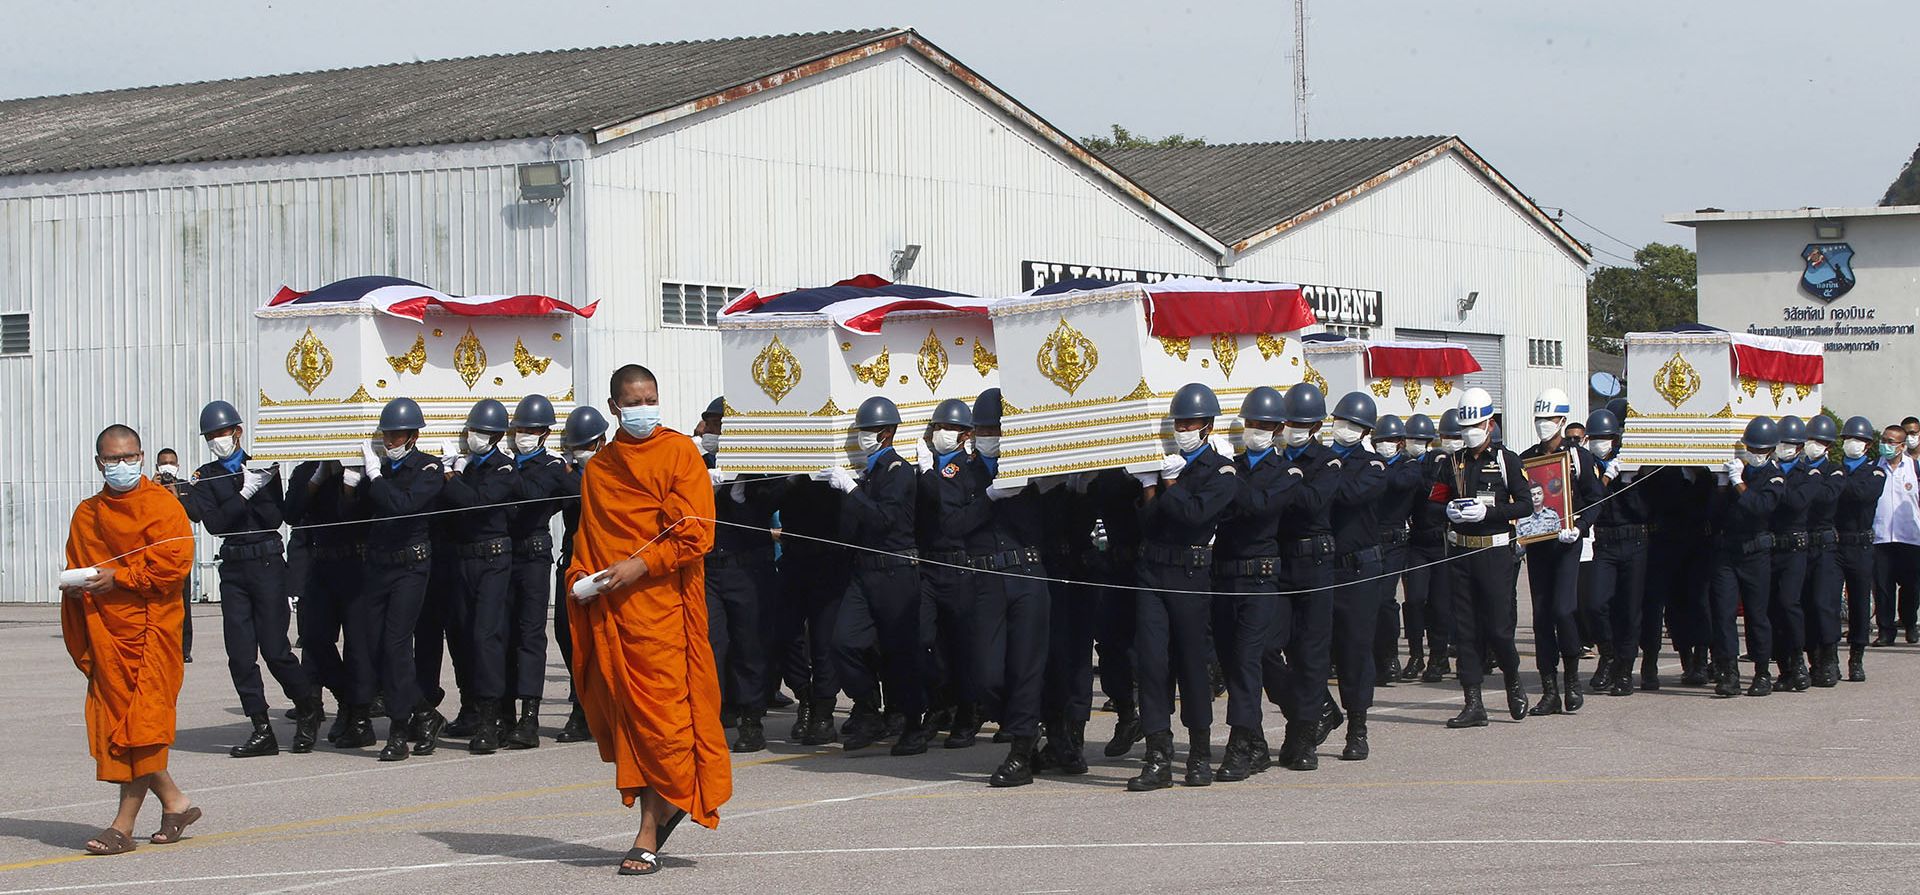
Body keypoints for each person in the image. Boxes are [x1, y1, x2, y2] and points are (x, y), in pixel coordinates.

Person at [564, 363, 730, 876]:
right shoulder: (601, 468)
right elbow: (588, 542)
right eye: (632, 402)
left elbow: (697, 533)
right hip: (617, 616)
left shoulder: (680, 453)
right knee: (633, 725)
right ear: (615, 407)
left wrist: (641, 563)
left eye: (650, 399)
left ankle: (649, 829)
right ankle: (658, 814)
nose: (642, 409)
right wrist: (580, 578)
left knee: (667, 725)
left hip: (666, 612)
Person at [63, 425, 200, 856]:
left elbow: (171, 569)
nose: (121, 466)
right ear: (98, 462)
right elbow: (79, 564)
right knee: (121, 728)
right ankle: (176, 803)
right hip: (107, 633)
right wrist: (77, 584)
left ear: (141, 457)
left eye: (128, 458)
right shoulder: (88, 513)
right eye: (112, 459)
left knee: (140, 728)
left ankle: (122, 826)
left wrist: (118, 577)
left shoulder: (163, 505)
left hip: (152, 630)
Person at [180, 401, 320, 757]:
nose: (217, 440)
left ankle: (307, 709)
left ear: (237, 432)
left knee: (275, 650)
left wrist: (255, 487)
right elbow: (215, 524)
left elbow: (275, 516)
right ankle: (261, 727)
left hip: (267, 563)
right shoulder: (205, 476)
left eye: (222, 433)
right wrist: (244, 492)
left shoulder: (263, 467)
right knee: (240, 654)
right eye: (211, 436)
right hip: (234, 567)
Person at [1128, 383, 1237, 792]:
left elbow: (1195, 516)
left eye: (1189, 422)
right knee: (1152, 664)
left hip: (1191, 576)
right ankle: (1157, 754)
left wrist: (1169, 486)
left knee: (1192, 664)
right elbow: (1148, 524)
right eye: (1178, 422)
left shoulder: (1220, 471)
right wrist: (1148, 486)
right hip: (1153, 573)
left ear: (1207, 426)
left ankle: (1198, 753)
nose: (1182, 428)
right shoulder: (1162, 463)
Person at [944, 388, 1052, 786]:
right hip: (986, 577)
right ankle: (1024, 729)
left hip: (1026, 574)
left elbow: (1043, 526)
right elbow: (951, 526)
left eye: (997, 428)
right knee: (987, 673)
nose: (990, 435)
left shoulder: (1030, 468)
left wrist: (1029, 485)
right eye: (984, 428)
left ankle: (1021, 751)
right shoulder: (959, 473)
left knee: (1026, 667)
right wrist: (990, 496)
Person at [826, 396, 926, 753]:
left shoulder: (898, 471)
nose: (863, 437)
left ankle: (912, 723)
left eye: (868, 431)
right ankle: (868, 709)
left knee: (902, 652)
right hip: (864, 572)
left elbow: (885, 521)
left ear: (886, 434)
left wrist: (851, 490)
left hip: (895, 571)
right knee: (844, 641)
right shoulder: (868, 474)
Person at [1209, 386, 1298, 781]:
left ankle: (1240, 743)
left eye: (1263, 425)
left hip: (1260, 578)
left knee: (1247, 660)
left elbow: (1261, 507)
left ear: (1278, 428)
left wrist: (1229, 481)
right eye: (1250, 424)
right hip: (1224, 575)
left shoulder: (1286, 472)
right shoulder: (1234, 466)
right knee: (1231, 662)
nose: (1255, 431)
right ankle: (1260, 740)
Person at [355, 398, 448, 760]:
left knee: (396, 644)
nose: (389, 441)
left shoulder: (428, 467)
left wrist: (375, 477)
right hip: (379, 566)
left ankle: (398, 729)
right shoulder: (379, 470)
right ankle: (425, 714)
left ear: (412, 436)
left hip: (411, 566)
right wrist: (354, 481)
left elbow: (404, 506)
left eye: (395, 435)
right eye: (386, 435)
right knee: (375, 645)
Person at [1437, 388, 1531, 728]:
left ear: (1489, 424)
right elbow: (1435, 502)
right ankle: (1473, 701)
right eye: (1465, 426)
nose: (1469, 432)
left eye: (1476, 425)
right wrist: (1447, 509)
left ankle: (1512, 680)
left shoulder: (1506, 460)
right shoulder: (1451, 462)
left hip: (1494, 551)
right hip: (1461, 551)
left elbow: (1526, 504)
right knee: (1465, 630)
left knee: (1498, 628)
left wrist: (1489, 512)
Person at [697, 396, 784, 753]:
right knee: (710, 646)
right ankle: (711, 716)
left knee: (750, 644)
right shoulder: (699, 464)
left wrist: (740, 492)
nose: (710, 431)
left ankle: (751, 718)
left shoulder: (755, 466)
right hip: (710, 568)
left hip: (747, 567)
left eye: (718, 425)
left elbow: (774, 500)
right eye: (709, 424)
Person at [438, 399, 520, 753]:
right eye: (472, 431)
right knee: (460, 636)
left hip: (492, 560)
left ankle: (492, 717)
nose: (475, 438)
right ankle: (471, 705)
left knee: (486, 637)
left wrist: (450, 476)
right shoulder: (466, 468)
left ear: (498, 436)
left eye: (483, 433)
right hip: (462, 561)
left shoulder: (504, 469)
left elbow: (476, 503)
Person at [1266, 383, 1340, 769]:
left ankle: (1303, 737)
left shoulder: (1327, 461)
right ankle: (1309, 709)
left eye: (1303, 422)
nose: (1294, 428)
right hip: (1281, 565)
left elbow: (1312, 503)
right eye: (1290, 421)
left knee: (1310, 655)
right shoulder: (1274, 459)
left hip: (1314, 566)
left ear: (1315, 426)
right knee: (1265, 646)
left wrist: (1284, 481)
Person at [1517, 388, 1600, 716]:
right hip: (1539, 546)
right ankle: (1548, 688)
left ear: (1562, 421)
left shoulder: (1579, 458)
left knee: (1564, 611)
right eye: (1539, 419)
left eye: (1549, 419)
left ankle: (1572, 681)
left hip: (1567, 542)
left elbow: (1596, 499)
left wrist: (1580, 526)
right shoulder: (1527, 458)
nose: (1543, 425)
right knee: (1541, 618)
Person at [284, 458, 370, 745]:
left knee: (358, 647)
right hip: (320, 564)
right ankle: (346, 698)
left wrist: (349, 487)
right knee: (314, 638)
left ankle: (359, 719)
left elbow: (360, 516)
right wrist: (317, 479)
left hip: (356, 563)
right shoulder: (307, 471)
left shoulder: (360, 468)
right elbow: (292, 514)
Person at [1322, 392, 1389, 760]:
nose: (1342, 428)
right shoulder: (1325, 459)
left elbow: (1346, 494)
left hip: (1360, 567)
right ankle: (1323, 708)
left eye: (1351, 424)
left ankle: (1357, 727)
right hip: (1323, 565)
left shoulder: (1373, 466)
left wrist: (1325, 472)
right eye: (1340, 421)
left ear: (1364, 431)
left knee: (1354, 650)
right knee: (1313, 645)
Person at [502, 395, 568, 749]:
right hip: (503, 556)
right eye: (518, 429)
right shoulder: (507, 463)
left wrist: (507, 470)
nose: (522, 435)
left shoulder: (552, 467)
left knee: (529, 636)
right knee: (501, 634)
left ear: (544, 433)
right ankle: (503, 712)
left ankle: (529, 716)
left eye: (529, 430)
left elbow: (531, 496)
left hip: (533, 555)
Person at [915, 398, 980, 749]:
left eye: (951, 428)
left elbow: (944, 506)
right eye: (938, 427)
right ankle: (939, 705)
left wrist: (927, 474)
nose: (942, 433)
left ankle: (966, 714)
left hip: (958, 565)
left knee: (961, 645)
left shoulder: (964, 469)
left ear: (965, 435)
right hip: (928, 564)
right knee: (924, 639)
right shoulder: (925, 466)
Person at [1707, 417, 1786, 697]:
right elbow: (1714, 515)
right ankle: (1728, 670)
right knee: (1724, 613)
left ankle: (1762, 671)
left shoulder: (1773, 477)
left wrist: (1738, 483)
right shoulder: (1736, 469)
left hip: (1755, 552)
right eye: (1751, 446)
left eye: (1761, 449)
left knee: (1757, 614)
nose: (1755, 452)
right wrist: (1720, 485)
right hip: (1727, 551)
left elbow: (1760, 508)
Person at [1583, 409, 1654, 696]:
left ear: (1615, 438)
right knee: (1594, 603)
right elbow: (1589, 502)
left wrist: (1626, 481)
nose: (1599, 443)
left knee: (1629, 610)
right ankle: (1608, 653)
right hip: (1605, 542)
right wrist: (1605, 480)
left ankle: (1624, 669)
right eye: (1595, 438)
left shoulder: (1633, 465)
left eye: (1604, 438)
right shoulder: (1588, 467)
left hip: (1634, 541)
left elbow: (1644, 510)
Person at [552, 406, 607, 742]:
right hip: (574, 563)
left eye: (585, 445)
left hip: (606, 564)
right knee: (567, 635)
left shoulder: (614, 471)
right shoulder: (569, 474)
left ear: (602, 441)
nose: (580, 452)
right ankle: (582, 705)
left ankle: (593, 707)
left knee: (602, 638)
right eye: (576, 447)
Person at [1401, 412, 1457, 683]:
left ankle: (1439, 656)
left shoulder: (1439, 459)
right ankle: (1415, 654)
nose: (1417, 444)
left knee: (1440, 603)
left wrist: (1418, 484)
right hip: (1417, 540)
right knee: (1413, 599)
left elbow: (1439, 493)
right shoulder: (1404, 462)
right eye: (1413, 439)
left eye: (1422, 440)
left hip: (1441, 539)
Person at [1371, 414, 1424, 687]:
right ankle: (1374, 658)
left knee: (1384, 599)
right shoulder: (1373, 464)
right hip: (1370, 539)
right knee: (1366, 602)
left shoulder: (1409, 466)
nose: (1385, 445)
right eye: (1380, 441)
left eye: (1390, 441)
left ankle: (1390, 656)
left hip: (1395, 541)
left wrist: (1376, 474)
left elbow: (1401, 483)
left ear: (1401, 443)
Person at [1766, 416, 1816, 692]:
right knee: (1770, 608)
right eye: (1780, 443)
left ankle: (1798, 661)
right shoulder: (1767, 469)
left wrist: (1773, 486)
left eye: (1790, 444)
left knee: (1789, 604)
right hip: (1770, 546)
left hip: (1795, 546)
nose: (1784, 448)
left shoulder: (1808, 473)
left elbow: (1797, 502)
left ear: (1799, 447)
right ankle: (1784, 666)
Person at [1834, 416, 1885, 682]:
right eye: (1848, 439)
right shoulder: (1836, 468)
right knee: (1827, 601)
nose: (1852, 444)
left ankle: (1857, 656)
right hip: (1835, 543)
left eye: (1858, 440)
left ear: (1867, 445)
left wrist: (1839, 481)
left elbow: (1861, 494)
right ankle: (1828, 656)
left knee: (1859, 603)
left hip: (1860, 544)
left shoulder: (1876, 472)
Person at [1797, 415, 1846, 688]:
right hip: (1801, 542)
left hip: (1825, 544)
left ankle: (1829, 657)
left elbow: (1827, 497)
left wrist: (1807, 487)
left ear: (1827, 446)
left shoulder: (1835, 470)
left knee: (1823, 602)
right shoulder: (1797, 469)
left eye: (1819, 442)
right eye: (1810, 440)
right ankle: (1812, 656)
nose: (1813, 446)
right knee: (1801, 602)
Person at [1873, 423, 1920, 646]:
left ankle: (1910, 624)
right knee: (1883, 587)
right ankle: (1885, 630)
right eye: (1883, 440)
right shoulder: (1875, 467)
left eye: (1890, 442)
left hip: (1909, 537)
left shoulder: (1914, 467)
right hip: (1881, 536)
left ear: (1901, 446)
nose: (1885, 445)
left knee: (1910, 585)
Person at [152, 449, 193, 663]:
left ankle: (184, 648)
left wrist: (177, 496)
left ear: (177, 465)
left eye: (171, 463)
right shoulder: (149, 488)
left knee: (183, 602)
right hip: (156, 553)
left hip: (180, 552)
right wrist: (152, 489)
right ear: (157, 467)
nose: (168, 466)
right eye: (163, 463)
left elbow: (195, 514)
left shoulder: (184, 486)